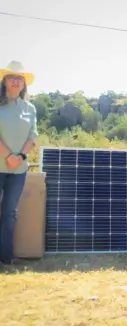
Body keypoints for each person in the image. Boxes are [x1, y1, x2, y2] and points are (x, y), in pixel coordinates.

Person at [0, 61, 38, 265]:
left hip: (18, 170)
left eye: (19, 78)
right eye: (11, 77)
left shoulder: (30, 108)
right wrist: (8, 156)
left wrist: (20, 157)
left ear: (24, 83)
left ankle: (6, 257)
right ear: (4, 81)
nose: (15, 82)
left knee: (10, 213)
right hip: (0, 165)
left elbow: (33, 136)